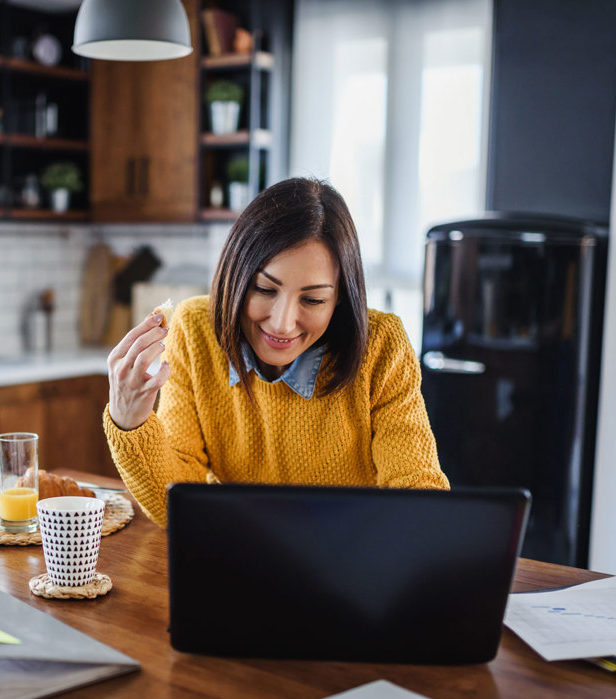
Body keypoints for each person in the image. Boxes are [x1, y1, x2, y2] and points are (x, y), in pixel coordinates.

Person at [104, 177, 448, 526]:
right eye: (265, 289)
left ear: (340, 297)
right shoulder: (195, 330)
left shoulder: (382, 346)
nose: (282, 324)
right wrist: (129, 423)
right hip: (239, 551)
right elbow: (176, 502)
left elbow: (417, 488)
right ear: (235, 277)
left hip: (349, 557)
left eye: (313, 299)